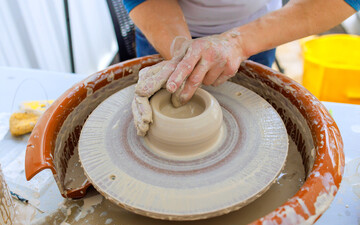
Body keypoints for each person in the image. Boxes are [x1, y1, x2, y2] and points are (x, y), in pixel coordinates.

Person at [128, 0, 359, 136]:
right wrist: (180, 50)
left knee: (251, 129)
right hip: (162, 24)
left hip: (259, 27)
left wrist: (239, 42)